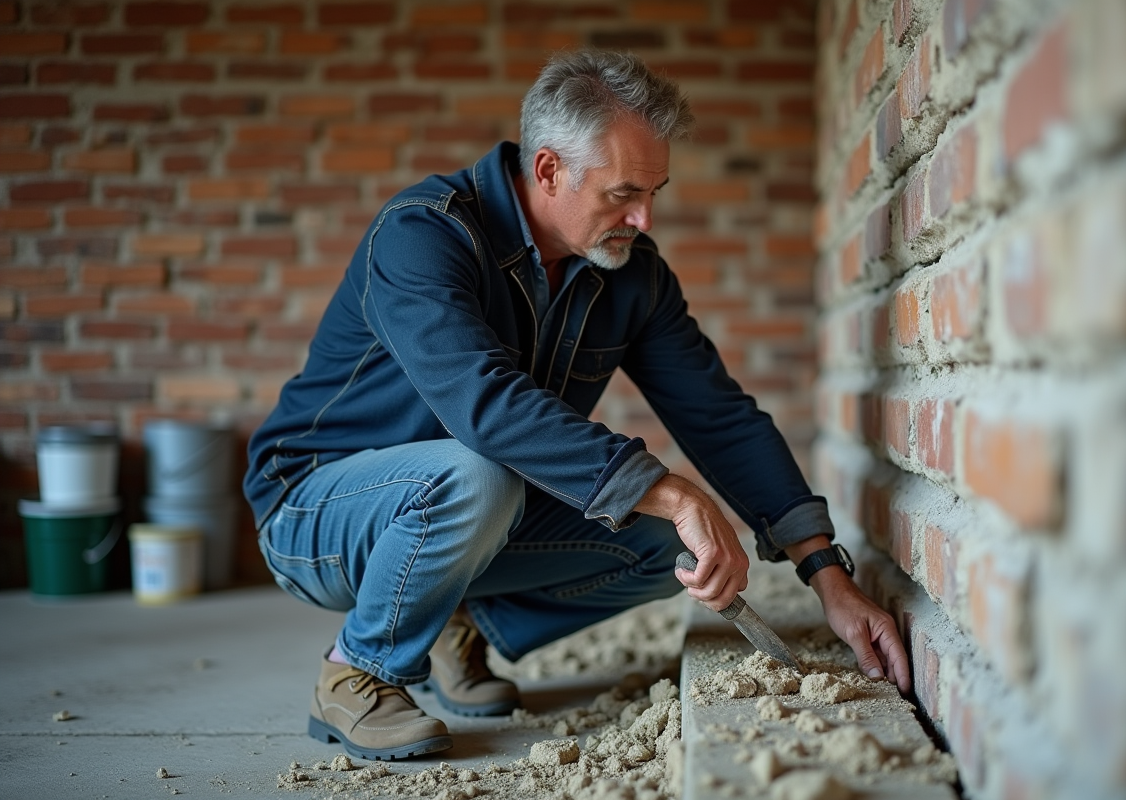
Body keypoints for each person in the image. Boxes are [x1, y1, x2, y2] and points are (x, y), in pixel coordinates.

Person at [243, 49, 910, 762]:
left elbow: (720, 415)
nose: (644, 217)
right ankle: (358, 672)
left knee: (668, 547)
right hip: (314, 510)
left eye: (655, 192)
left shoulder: (631, 274)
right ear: (550, 170)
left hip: (468, 511)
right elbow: (485, 407)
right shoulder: (423, 235)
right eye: (623, 193)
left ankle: (449, 618)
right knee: (481, 474)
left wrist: (826, 575)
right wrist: (669, 488)